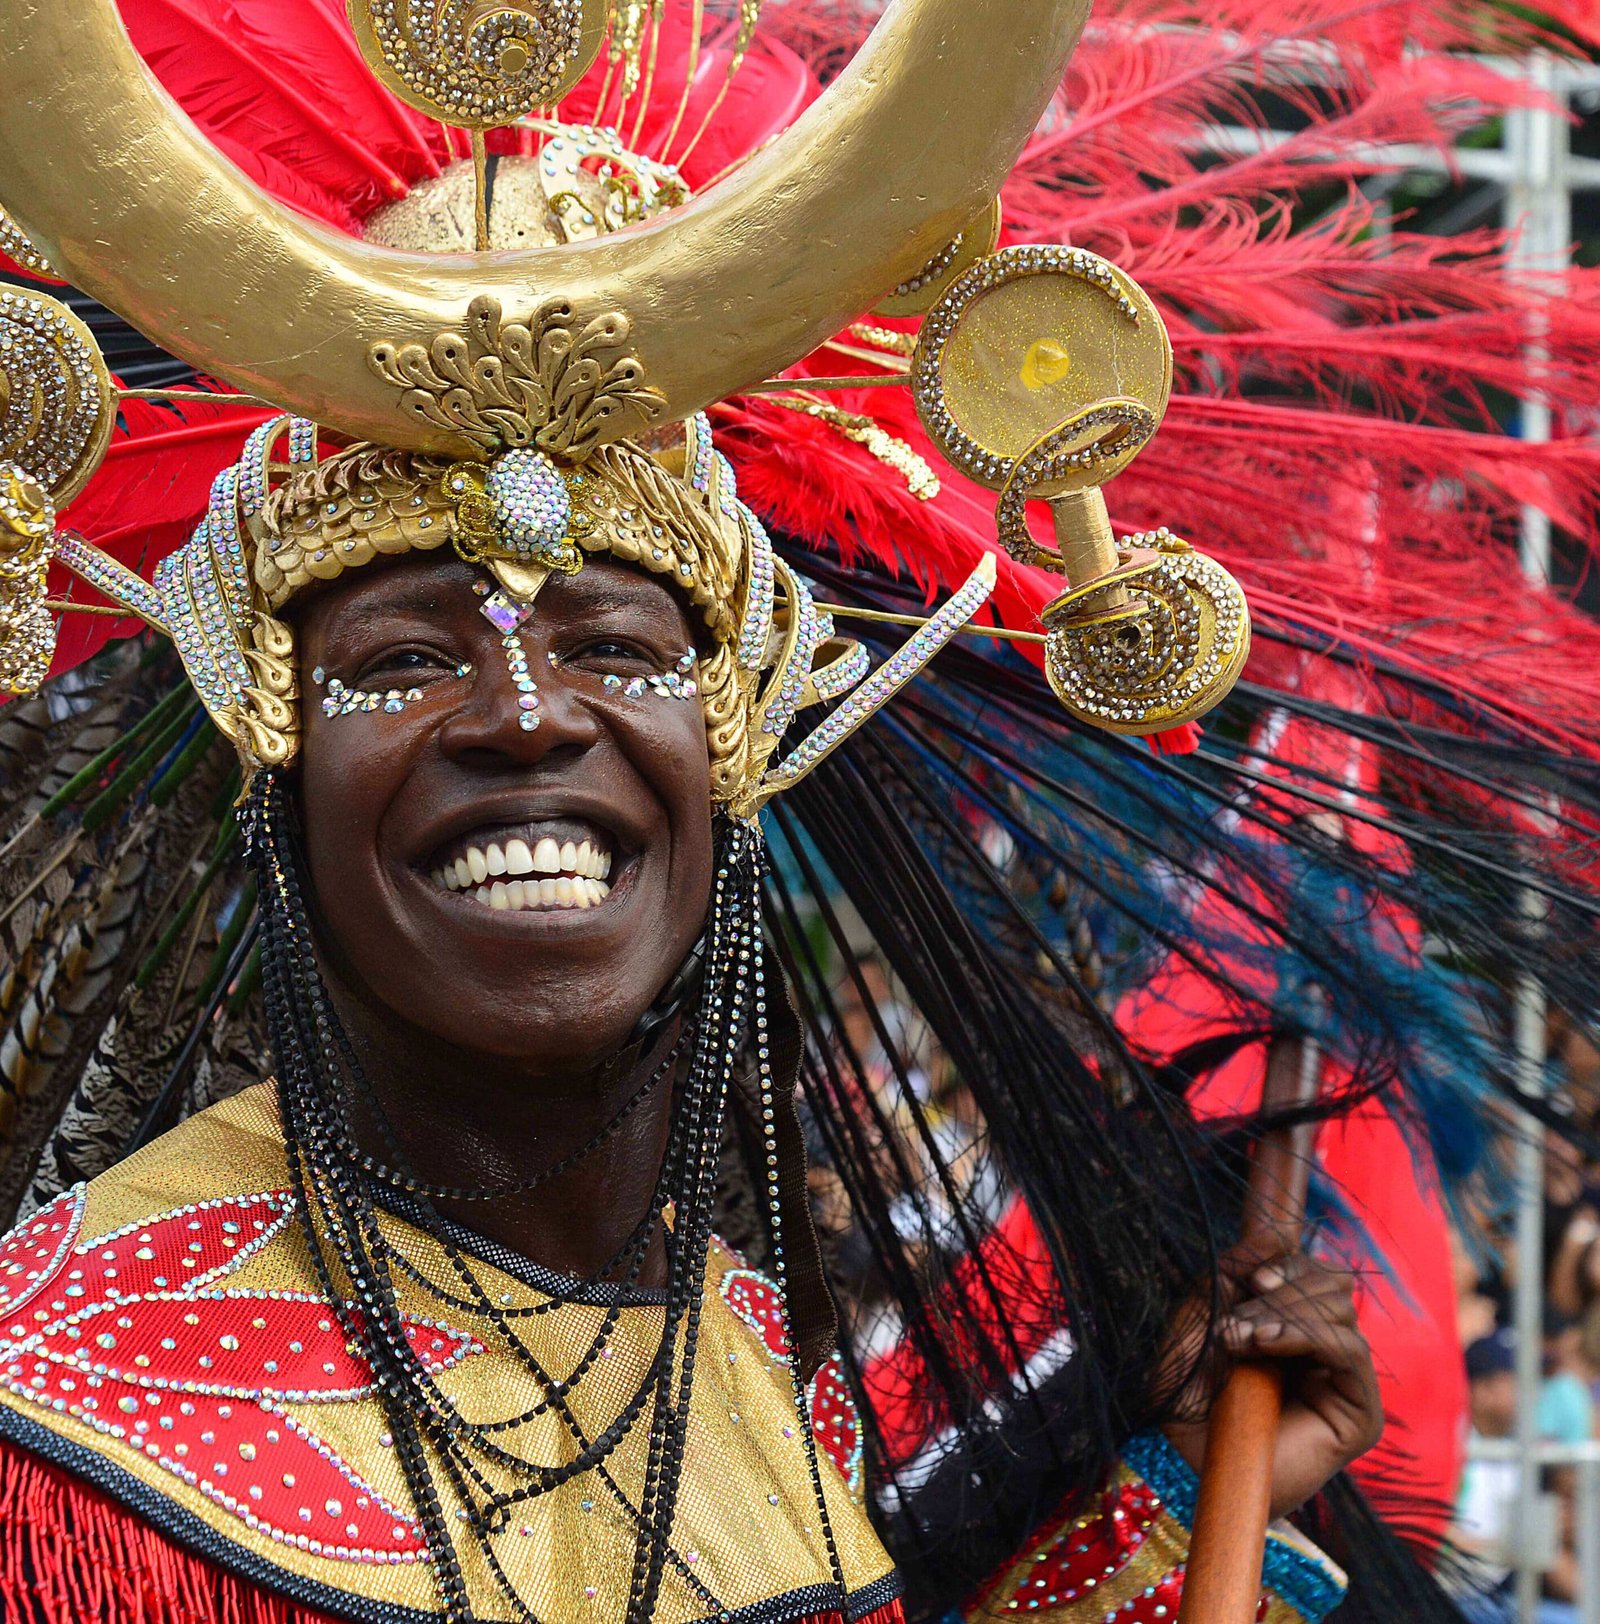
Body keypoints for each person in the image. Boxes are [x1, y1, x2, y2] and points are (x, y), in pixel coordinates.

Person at [1, 2, 1596, 1623]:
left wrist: (1189, 1505)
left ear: (739, 743)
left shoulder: (758, 1379)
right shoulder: (54, 1434)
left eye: (618, 646)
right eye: (405, 658)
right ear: (271, 740)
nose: (530, 714)